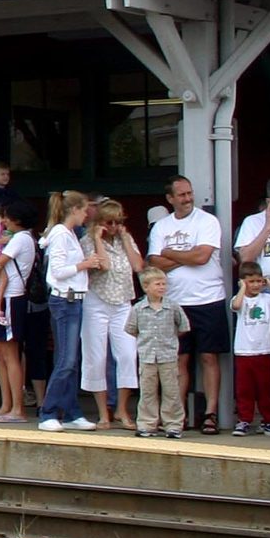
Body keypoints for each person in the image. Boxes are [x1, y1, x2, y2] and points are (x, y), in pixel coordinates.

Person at [146, 175, 229, 433]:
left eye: (189, 193)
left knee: (208, 357)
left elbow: (203, 256)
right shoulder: (161, 226)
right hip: (175, 302)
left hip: (208, 298)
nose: (187, 198)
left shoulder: (207, 221)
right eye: (181, 195)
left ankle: (210, 413)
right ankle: (176, 415)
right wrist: (186, 256)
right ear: (170, 199)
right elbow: (153, 262)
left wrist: (170, 253)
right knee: (178, 359)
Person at [80, 199, 144, 429]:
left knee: (127, 354)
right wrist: (97, 237)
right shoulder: (87, 241)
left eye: (118, 222)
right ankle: (102, 413)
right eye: (110, 222)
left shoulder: (124, 239)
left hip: (123, 302)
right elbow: (103, 266)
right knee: (96, 356)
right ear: (99, 222)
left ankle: (122, 410)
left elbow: (138, 267)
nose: (115, 227)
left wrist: (126, 239)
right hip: (97, 301)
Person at [35, 191, 96, 432]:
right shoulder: (61, 234)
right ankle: (47, 411)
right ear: (73, 210)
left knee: (72, 359)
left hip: (75, 300)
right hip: (64, 301)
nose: (86, 215)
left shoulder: (68, 233)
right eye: (83, 210)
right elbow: (57, 272)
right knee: (66, 359)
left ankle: (71, 411)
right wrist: (84, 264)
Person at [0, 201, 38, 422]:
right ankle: (6, 405)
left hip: (10, 297)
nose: (3, 221)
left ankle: (18, 408)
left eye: (7, 217)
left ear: (17, 219)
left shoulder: (22, 238)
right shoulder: (16, 238)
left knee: (10, 352)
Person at [126, 270, 190, 437]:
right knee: (147, 391)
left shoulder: (172, 306)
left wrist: (170, 340)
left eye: (163, 284)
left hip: (168, 356)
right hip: (147, 357)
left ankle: (173, 424)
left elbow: (183, 326)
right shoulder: (138, 308)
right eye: (158, 284)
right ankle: (147, 424)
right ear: (146, 287)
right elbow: (132, 329)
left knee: (171, 391)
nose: (162, 287)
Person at [230, 264, 270, 436]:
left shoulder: (266, 298)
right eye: (251, 281)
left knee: (265, 389)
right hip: (244, 351)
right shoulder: (239, 299)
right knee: (244, 389)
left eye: (259, 281)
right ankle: (244, 420)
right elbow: (236, 306)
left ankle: (269, 421)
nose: (256, 285)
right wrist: (242, 288)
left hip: (265, 350)